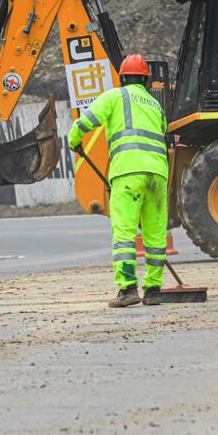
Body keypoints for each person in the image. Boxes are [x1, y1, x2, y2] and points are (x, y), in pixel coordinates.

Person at [68, 54, 169, 308]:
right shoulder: (155, 105)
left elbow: (86, 122)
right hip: (157, 174)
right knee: (155, 235)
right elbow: (163, 133)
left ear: (122, 77)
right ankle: (154, 290)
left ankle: (127, 289)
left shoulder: (114, 96)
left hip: (127, 173)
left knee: (124, 234)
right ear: (146, 80)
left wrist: (73, 140)